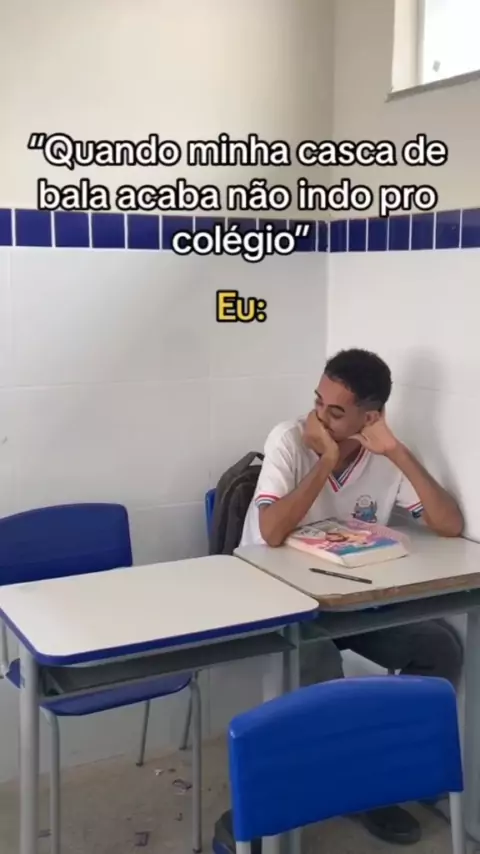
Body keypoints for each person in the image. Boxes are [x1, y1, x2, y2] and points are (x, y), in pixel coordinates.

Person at [240, 347, 464, 846]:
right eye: (318, 401)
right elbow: (271, 532)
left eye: (336, 411)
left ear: (371, 417)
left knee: (440, 648)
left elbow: (449, 524)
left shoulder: (382, 456)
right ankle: (342, 788)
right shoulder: (288, 440)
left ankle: (379, 776)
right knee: (320, 666)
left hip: (351, 603)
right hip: (280, 604)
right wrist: (326, 458)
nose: (319, 416)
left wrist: (396, 452)